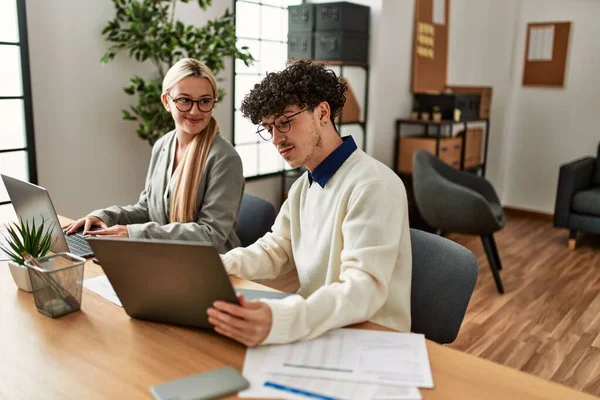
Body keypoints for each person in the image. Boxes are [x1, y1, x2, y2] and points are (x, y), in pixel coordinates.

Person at [207, 60, 412, 346]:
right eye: (269, 128)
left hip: (371, 339)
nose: (276, 139)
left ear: (323, 113)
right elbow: (277, 248)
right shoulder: (305, 185)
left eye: (285, 121)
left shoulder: (372, 185)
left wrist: (284, 318)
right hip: (323, 328)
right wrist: (218, 265)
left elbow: (362, 289)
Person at [64, 58, 244, 253]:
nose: (195, 110)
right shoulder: (163, 145)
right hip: (164, 256)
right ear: (167, 101)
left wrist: (133, 233)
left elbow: (211, 234)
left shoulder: (225, 159)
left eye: (205, 101)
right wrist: (105, 216)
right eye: (184, 100)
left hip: (211, 265)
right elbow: (148, 208)